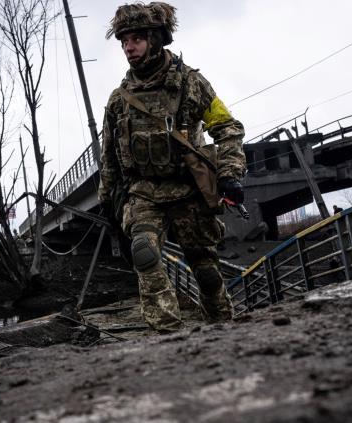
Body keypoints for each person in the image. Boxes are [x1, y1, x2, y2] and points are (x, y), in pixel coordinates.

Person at [98, 2, 246, 332]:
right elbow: (107, 156)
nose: (128, 47)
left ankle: (225, 329)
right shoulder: (119, 99)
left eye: (135, 39)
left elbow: (227, 127)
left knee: (206, 270)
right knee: (144, 254)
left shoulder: (191, 84)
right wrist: (108, 201)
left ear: (155, 39)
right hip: (144, 194)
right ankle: (169, 335)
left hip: (189, 190)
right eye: (124, 41)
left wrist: (230, 174)